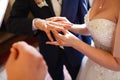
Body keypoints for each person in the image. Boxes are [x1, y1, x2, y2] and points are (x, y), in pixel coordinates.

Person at [6, 0, 91, 79]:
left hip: (75, 46)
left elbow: (84, 14)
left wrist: (87, 45)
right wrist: (37, 23)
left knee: (80, 76)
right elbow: (11, 23)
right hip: (49, 48)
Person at [45, 0, 120, 80]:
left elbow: (117, 63)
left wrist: (75, 42)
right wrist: (70, 26)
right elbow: (94, 27)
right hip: (93, 63)